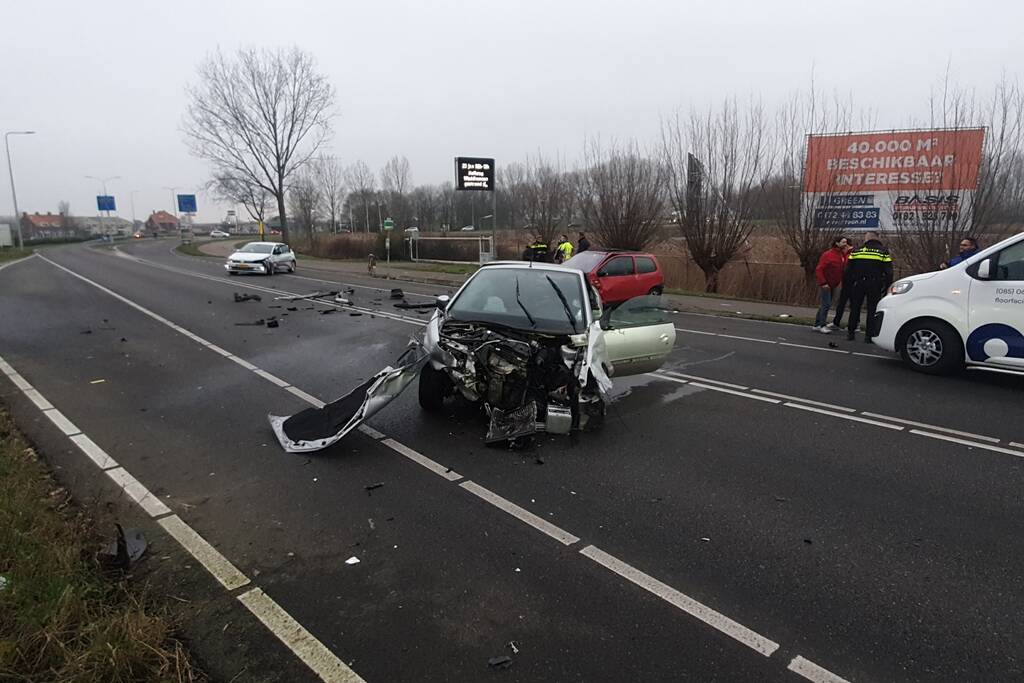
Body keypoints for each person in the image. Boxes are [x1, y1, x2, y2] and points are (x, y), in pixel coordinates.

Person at [845, 231, 893, 342]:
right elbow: (889, 272)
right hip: (874, 284)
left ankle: (850, 333)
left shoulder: (856, 251)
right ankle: (868, 336)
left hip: (858, 283)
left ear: (866, 238)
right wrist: (887, 286)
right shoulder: (883, 252)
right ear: (877, 238)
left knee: (855, 308)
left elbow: (848, 270)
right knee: (872, 310)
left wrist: (850, 283)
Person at [812, 236, 850, 333]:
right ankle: (822, 325)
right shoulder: (828, 255)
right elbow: (819, 269)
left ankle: (817, 324)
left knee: (825, 304)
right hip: (826, 283)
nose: (845, 244)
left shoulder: (842, 255)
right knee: (826, 304)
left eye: (846, 242)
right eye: (843, 242)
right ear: (837, 243)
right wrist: (823, 282)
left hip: (834, 283)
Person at [830, 238, 854, 329]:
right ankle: (837, 322)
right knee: (843, 303)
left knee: (851, 303)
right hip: (846, 281)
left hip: (851, 282)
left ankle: (854, 324)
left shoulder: (851, 254)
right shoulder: (846, 254)